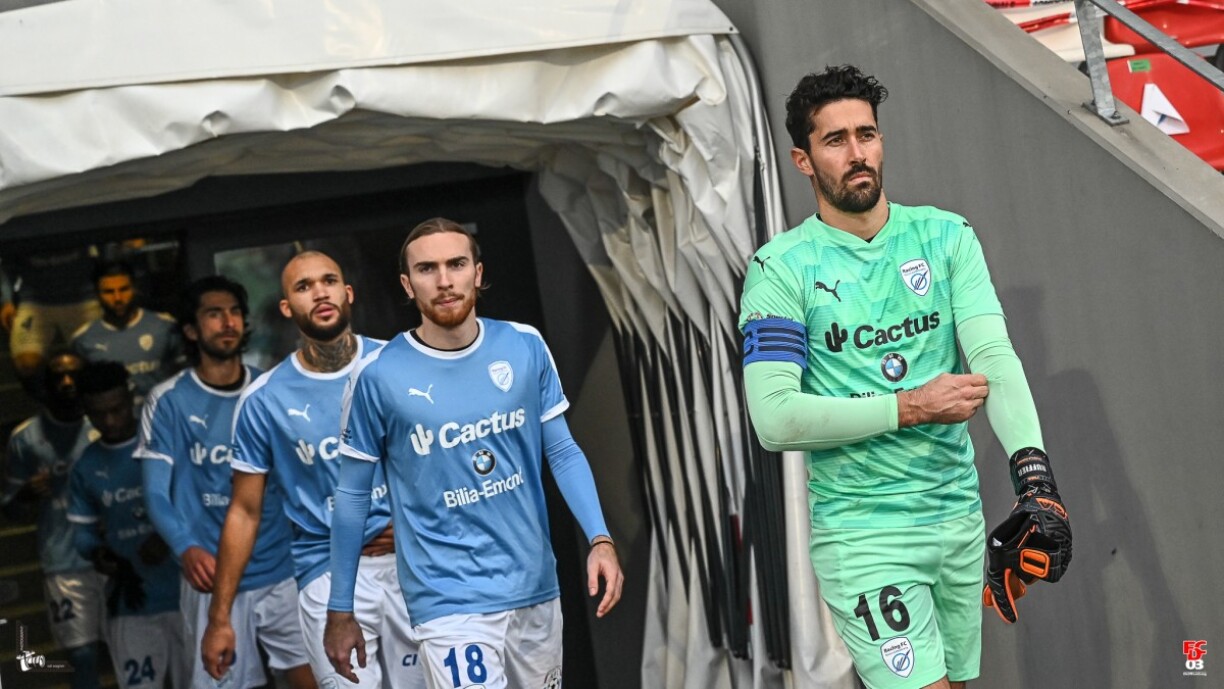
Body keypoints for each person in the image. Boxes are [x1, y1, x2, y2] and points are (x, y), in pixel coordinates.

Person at [738, 65, 1072, 689]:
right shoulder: (780, 269)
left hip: (956, 518)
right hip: (864, 535)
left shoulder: (946, 236)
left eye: (866, 134)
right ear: (803, 160)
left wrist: (1036, 480)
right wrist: (912, 405)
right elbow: (775, 418)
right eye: (835, 140)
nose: (857, 153)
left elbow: (993, 357)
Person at [323, 218, 624, 688]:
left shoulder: (524, 345)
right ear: (407, 284)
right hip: (447, 602)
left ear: (478, 273)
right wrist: (340, 608)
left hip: (534, 588)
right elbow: (352, 496)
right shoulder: (377, 375)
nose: (444, 280)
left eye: (456, 264)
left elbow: (562, 451)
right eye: (427, 269)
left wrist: (600, 538)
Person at [201, 251, 423, 688]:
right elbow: (244, 511)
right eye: (304, 287)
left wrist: (413, 524)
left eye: (329, 281)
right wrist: (219, 617)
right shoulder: (263, 399)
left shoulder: (401, 365)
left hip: (412, 565)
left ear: (348, 293)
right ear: (287, 307)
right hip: (326, 575)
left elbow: (446, 466)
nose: (319, 292)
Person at [135, 275, 314, 689]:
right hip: (212, 577)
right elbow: (156, 494)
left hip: (280, 567)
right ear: (191, 330)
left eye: (234, 312)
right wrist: (186, 546)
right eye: (214, 314)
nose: (228, 322)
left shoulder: (271, 389)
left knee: (313, 679)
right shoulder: (168, 400)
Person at [67, 361, 187, 689]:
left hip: (188, 594)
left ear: (130, 398)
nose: (109, 421)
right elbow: (82, 533)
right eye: (98, 414)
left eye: (117, 409)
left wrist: (167, 535)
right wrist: (98, 554)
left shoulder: (166, 443)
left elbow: (203, 504)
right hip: (131, 604)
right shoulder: (86, 466)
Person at [0, 350, 106, 689]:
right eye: (58, 376)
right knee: (82, 655)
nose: (67, 383)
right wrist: (27, 494)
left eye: (74, 375)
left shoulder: (105, 424)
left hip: (113, 557)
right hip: (63, 562)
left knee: (128, 648)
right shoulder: (26, 438)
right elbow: (9, 508)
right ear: (47, 385)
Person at [71, 260, 183, 408]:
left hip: (166, 415)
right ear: (97, 294)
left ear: (135, 288)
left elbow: (186, 374)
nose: (118, 298)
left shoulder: (164, 326)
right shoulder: (83, 339)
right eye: (109, 292)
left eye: (124, 289)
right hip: (115, 421)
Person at [0, 248, 99, 397]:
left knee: (98, 360)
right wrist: (7, 300)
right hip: (34, 300)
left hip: (84, 297)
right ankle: (53, 404)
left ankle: (93, 401)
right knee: (26, 364)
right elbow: (6, 261)